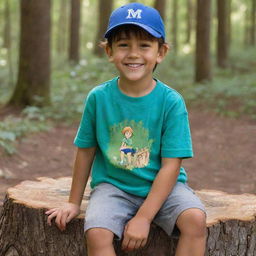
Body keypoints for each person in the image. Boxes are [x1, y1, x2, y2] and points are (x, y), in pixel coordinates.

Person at [46, 3, 207, 256]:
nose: (134, 54)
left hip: (163, 186)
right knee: (97, 231)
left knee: (195, 220)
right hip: (113, 186)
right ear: (109, 51)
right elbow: (85, 150)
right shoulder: (98, 98)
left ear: (161, 52)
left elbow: (171, 165)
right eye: (123, 45)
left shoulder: (171, 102)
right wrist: (73, 203)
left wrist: (143, 218)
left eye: (144, 45)